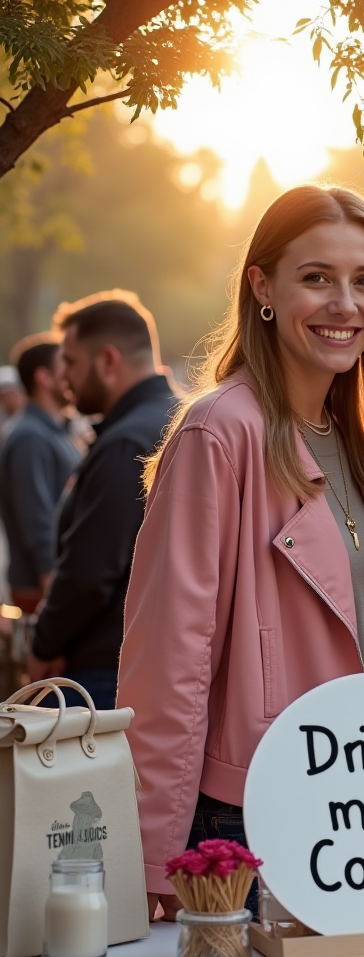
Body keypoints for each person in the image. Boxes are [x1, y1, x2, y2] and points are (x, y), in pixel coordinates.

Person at [116, 185, 364, 922]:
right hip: (246, 821)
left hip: (358, 807)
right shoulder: (219, 432)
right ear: (263, 288)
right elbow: (169, 657)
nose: (346, 304)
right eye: (317, 277)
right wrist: (155, 854)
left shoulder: (361, 445)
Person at [27, 294, 177, 709]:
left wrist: (42, 646)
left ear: (108, 361)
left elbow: (90, 571)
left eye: (71, 362)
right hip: (154, 662)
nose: (63, 378)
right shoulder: (179, 417)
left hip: (104, 674)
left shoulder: (126, 440)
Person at [0, 335, 80, 613]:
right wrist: (53, 595)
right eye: (65, 364)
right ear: (44, 377)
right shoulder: (29, 437)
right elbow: (36, 520)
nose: (72, 373)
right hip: (40, 590)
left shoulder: (56, 431)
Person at [0, 365, 27, 450]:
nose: (7, 399)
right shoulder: (3, 418)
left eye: (10, 394)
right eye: (3, 396)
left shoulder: (29, 419)